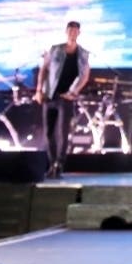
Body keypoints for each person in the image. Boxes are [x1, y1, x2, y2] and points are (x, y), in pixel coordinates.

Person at [34, 20, 91, 178]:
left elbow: (85, 75)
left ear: (79, 33)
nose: (72, 33)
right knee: (49, 132)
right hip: (49, 95)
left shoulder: (83, 53)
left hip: (66, 98)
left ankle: (59, 164)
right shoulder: (55, 49)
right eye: (70, 30)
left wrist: (74, 92)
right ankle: (52, 163)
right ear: (66, 31)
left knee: (63, 133)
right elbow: (44, 69)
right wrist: (39, 90)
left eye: (75, 30)